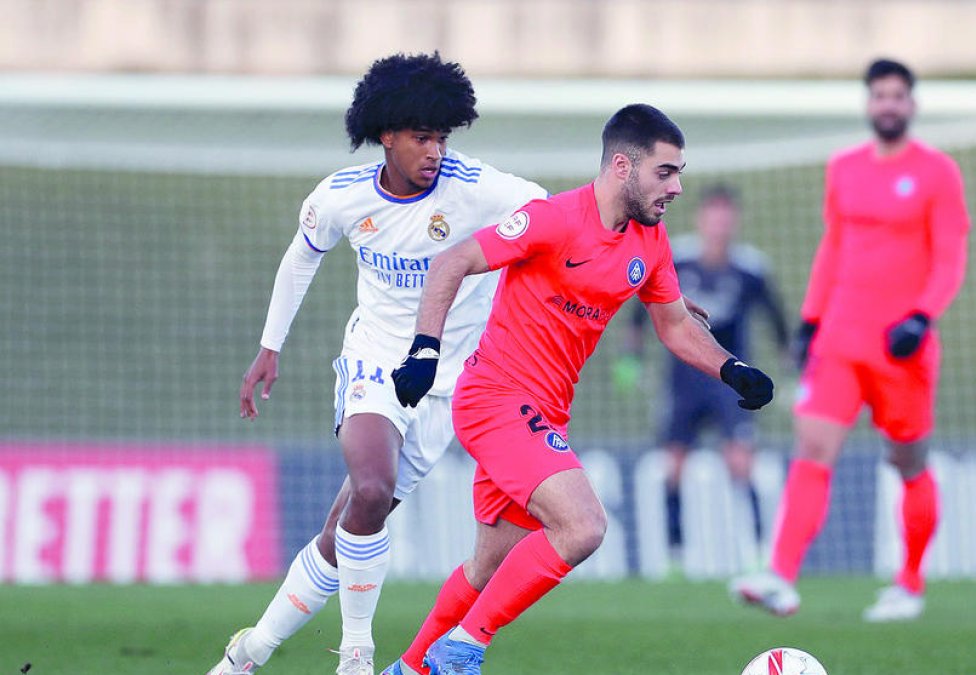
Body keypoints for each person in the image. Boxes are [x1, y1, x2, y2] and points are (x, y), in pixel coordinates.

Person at [379, 104, 775, 675]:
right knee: (583, 526)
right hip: (496, 399)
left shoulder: (651, 241)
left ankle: (409, 668)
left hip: (543, 413)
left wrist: (732, 369)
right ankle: (462, 650)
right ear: (622, 165)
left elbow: (675, 323)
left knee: (487, 570)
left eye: (680, 172)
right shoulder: (553, 220)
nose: (678, 187)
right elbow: (453, 260)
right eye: (665, 172)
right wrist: (425, 348)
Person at [208, 52, 548, 675]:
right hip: (375, 362)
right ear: (385, 135)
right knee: (371, 487)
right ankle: (357, 655)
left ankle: (248, 653)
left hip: (450, 388)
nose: (435, 150)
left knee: (347, 528)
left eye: (442, 137)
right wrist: (269, 346)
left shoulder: (478, 189)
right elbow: (300, 258)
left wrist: (648, 280)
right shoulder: (341, 198)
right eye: (422, 137)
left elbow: (560, 223)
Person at [730, 58, 970, 622]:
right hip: (840, 338)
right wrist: (810, 323)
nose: (888, 104)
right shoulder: (843, 168)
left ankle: (909, 583)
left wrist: (922, 317)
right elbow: (833, 248)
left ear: (911, 105)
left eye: (897, 96)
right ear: (869, 104)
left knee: (908, 460)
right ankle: (780, 577)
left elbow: (951, 256)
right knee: (812, 450)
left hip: (902, 346)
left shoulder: (937, 173)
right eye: (879, 95)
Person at [618, 184, 788, 560]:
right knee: (674, 465)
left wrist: (790, 364)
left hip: (732, 377)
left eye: (726, 217)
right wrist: (631, 355)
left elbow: (776, 319)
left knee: (741, 462)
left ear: (735, 221)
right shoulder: (678, 258)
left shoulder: (750, 268)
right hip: (684, 379)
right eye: (714, 217)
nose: (720, 225)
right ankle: (675, 553)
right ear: (702, 220)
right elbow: (640, 302)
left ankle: (760, 551)